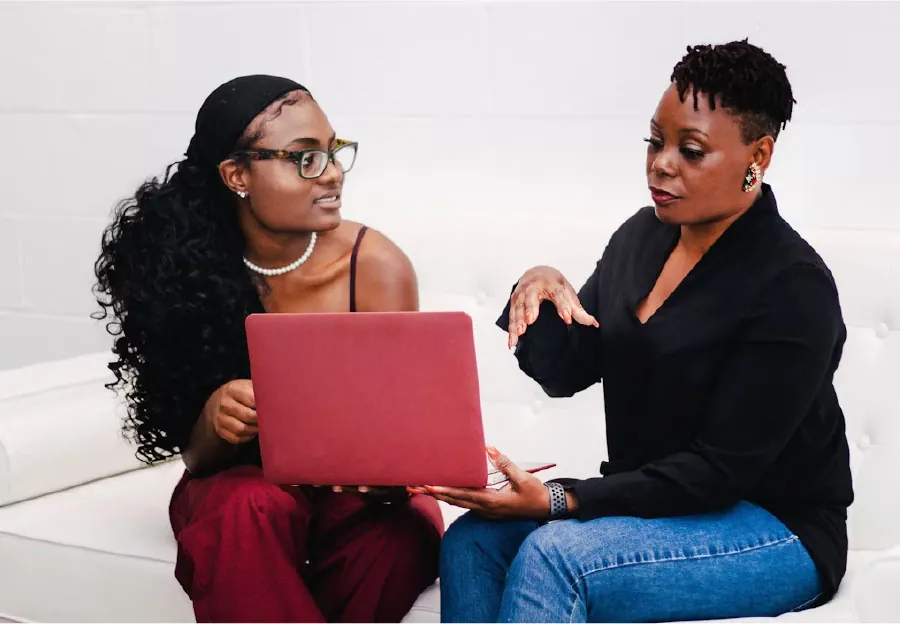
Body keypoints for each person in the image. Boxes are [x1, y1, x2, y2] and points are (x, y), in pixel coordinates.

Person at [419, 40, 853, 622]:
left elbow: (719, 473)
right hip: (656, 504)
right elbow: (568, 369)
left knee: (557, 556)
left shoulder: (793, 286)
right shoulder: (640, 238)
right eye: (655, 141)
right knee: (472, 540)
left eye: (691, 150)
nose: (661, 163)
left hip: (775, 527)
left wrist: (559, 500)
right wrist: (539, 288)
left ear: (760, 155)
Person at [93, 75, 442, 623]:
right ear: (237, 175)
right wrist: (214, 418)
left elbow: (404, 444)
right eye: (303, 158)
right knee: (246, 508)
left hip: (359, 498)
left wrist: (390, 476)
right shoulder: (183, 271)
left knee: (401, 537)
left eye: (333, 152)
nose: (329, 173)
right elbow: (198, 460)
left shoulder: (374, 265)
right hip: (242, 488)